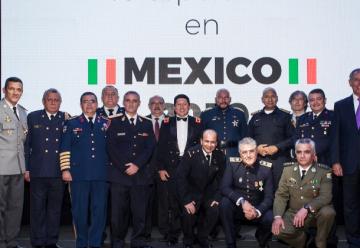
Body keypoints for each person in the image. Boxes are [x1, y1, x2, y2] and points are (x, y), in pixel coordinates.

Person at [106, 91, 156, 248]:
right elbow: (110, 147)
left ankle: (138, 241)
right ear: (123, 102)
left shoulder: (147, 123)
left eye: (135, 101)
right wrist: (124, 167)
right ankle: (117, 242)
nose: (131, 103)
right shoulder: (113, 122)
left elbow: (150, 148)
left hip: (140, 176)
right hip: (119, 176)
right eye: (128, 100)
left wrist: (137, 165)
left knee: (140, 214)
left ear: (139, 103)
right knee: (118, 215)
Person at [60, 92, 109, 248]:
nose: (89, 105)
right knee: (79, 212)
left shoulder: (106, 123)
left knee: (99, 212)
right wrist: (65, 169)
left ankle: (95, 243)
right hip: (78, 175)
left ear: (97, 103)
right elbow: (65, 148)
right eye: (85, 102)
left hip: (101, 175)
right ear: (81, 104)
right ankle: (81, 242)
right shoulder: (72, 123)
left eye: (92, 101)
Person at [156, 94, 203, 246]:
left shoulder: (198, 123)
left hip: (191, 168)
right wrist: (161, 168)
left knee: (189, 203)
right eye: (179, 104)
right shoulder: (166, 122)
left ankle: (189, 237)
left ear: (189, 106)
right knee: (173, 203)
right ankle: (173, 235)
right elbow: (161, 147)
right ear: (174, 107)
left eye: (185, 104)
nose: (182, 107)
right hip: (172, 167)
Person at [272, 138, 335, 248]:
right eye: (299, 152)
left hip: (316, 213)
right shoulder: (288, 170)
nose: (302, 155)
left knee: (328, 212)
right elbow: (281, 195)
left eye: (307, 152)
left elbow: (326, 196)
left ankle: (320, 241)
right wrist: (277, 217)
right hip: (294, 212)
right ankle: (302, 241)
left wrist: (306, 208)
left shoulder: (324, 171)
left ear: (314, 154)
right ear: (295, 153)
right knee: (278, 231)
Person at [25, 89, 68, 248]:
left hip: (57, 172)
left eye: (56, 100)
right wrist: (27, 168)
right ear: (44, 101)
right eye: (49, 99)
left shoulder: (66, 118)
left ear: (60, 102)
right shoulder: (33, 117)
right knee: (37, 210)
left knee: (54, 211)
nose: (52, 102)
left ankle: (51, 241)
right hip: (37, 171)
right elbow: (27, 144)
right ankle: (37, 242)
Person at [220, 137, 273, 248]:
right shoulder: (232, 164)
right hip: (239, 207)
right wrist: (242, 201)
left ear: (256, 151)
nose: (248, 155)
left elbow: (269, 197)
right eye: (244, 152)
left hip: (258, 208)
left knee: (270, 217)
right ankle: (231, 243)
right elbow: (224, 187)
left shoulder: (266, 168)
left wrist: (257, 211)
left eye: (251, 151)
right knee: (225, 204)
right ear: (240, 153)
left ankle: (262, 240)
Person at [176, 129, 226, 248]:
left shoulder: (220, 155)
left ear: (216, 143)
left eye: (213, 142)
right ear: (201, 141)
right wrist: (186, 200)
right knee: (188, 214)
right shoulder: (191, 154)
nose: (210, 145)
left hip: (209, 193)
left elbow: (222, 180)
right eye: (207, 141)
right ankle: (188, 240)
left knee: (215, 210)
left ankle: (202, 237)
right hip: (191, 192)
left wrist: (217, 198)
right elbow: (180, 178)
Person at [331, 68, 360, 248]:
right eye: (356, 80)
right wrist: (335, 161)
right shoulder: (340, 105)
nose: (359, 84)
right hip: (349, 165)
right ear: (350, 82)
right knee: (350, 206)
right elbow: (335, 136)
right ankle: (354, 241)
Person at [0, 77, 27, 248]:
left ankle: (11, 241)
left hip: (18, 166)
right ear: (4, 90)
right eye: (12, 89)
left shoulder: (23, 111)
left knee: (15, 208)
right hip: (1, 167)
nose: (15, 92)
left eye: (19, 90)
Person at [248, 87, 294, 188]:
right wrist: (256, 149)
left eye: (273, 96)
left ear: (277, 98)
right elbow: (247, 139)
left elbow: (293, 139)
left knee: (280, 192)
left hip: (280, 161)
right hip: (259, 161)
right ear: (262, 99)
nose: (270, 99)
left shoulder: (285, 116)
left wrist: (277, 147)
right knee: (260, 191)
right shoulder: (255, 117)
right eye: (266, 97)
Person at [200, 88, 248, 158]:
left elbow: (245, 137)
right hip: (212, 155)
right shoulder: (206, 115)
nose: (223, 100)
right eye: (220, 98)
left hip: (235, 154)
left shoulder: (239, 114)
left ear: (230, 99)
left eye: (226, 98)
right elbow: (201, 137)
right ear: (216, 99)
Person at [144, 95, 166, 241]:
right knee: (145, 203)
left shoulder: (170, 121)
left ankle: (166, 232)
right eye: (153, 103)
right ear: (148, 106)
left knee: (165, 202)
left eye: (159, 103)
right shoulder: (142, 121)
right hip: (145, 169)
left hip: (166, 169)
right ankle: (145, 232)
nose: (156, 106)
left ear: (164, 105)